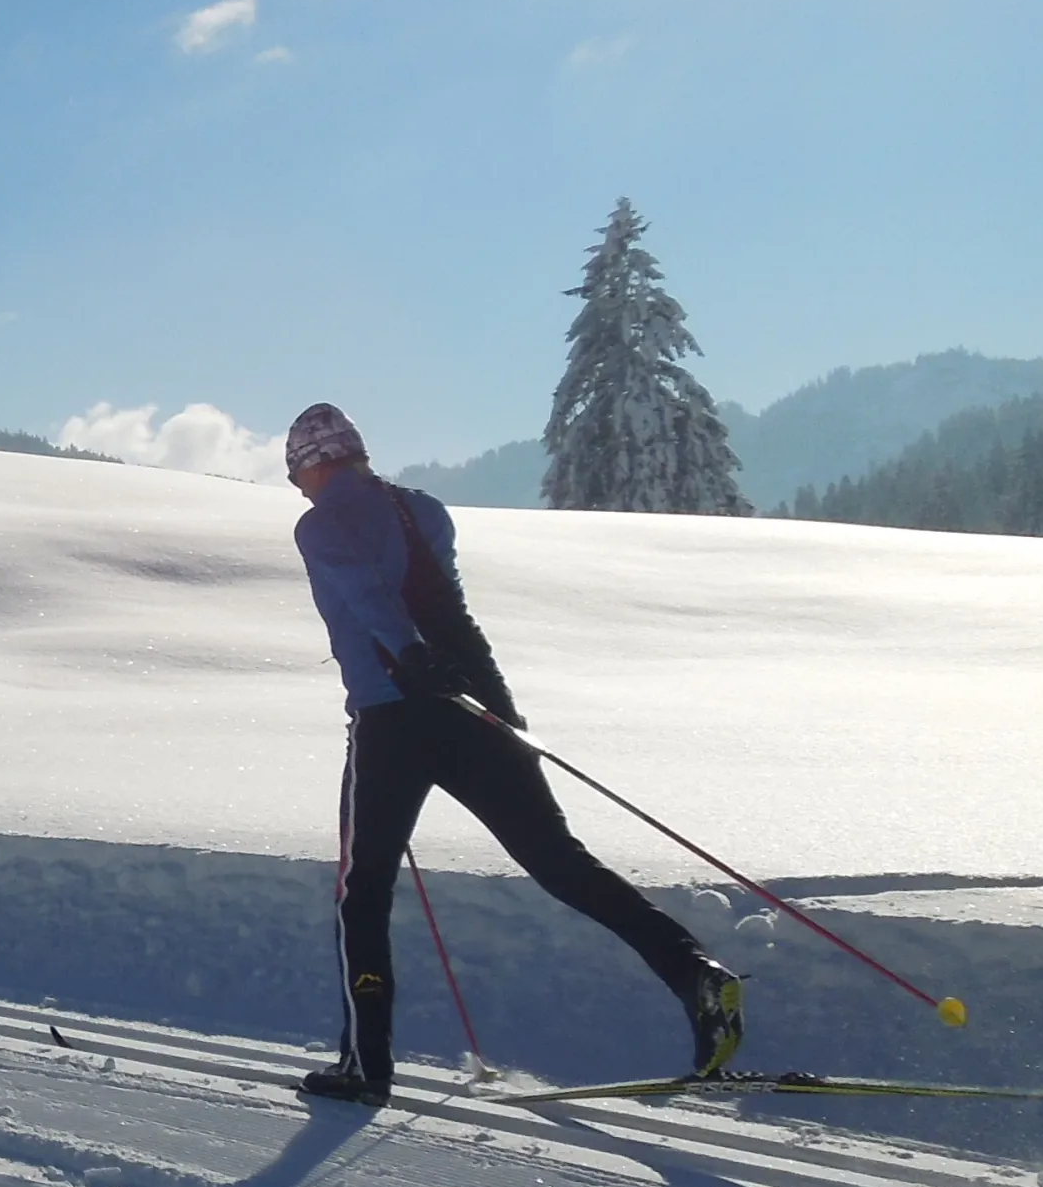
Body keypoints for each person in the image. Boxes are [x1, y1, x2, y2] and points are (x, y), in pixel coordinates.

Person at [280, 401, 742, 1105]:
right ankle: (696, 973)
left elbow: (367, 594)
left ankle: (365, 1066)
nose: (302, 492)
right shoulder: (423, 509)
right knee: (562, 863)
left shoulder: (318, 526)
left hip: (393, 718)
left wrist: (409, 656)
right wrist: (466, 684)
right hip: (479, 703)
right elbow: (444, 601)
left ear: (312, 467)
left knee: (363, 892)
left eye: (298, 478)